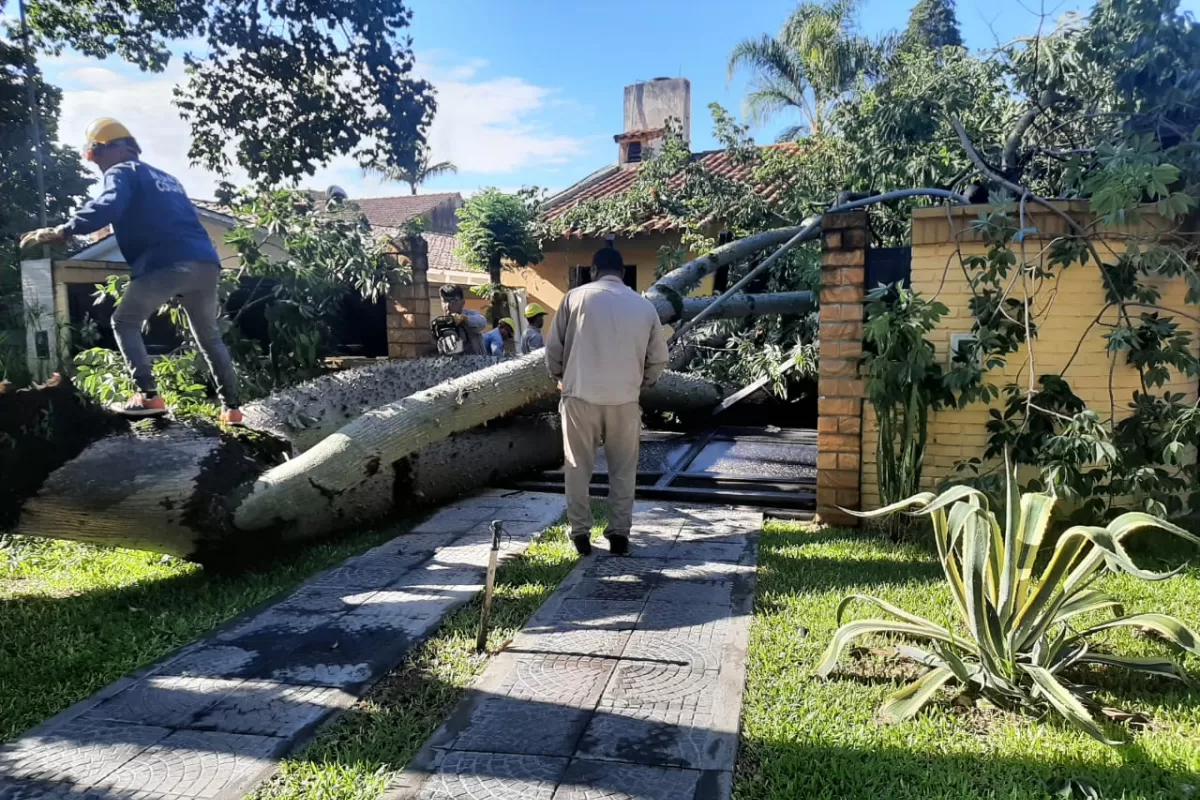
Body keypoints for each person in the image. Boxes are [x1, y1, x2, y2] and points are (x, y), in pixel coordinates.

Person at [19, 118, 241, 423]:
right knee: (209, 337)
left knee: (124, 321)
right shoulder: (168, 179)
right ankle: (232, 410)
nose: (96, 166)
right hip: (206, 262)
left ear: (108, 149)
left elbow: (109, 205)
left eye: (94, 157)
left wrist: (64, 230)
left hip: (165, 261)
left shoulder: (122, 171)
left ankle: (148, 396)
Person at [545, 247, 669, 556]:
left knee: (577, 467)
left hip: (579, 396)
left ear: (593, 270)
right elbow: (659, 359)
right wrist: (642, 384)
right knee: (623, 470)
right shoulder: (644, 307)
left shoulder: (574, 298)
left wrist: (561, 378)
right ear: (623, 273)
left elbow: (553, 350)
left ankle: (580, 533)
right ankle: (619, 534)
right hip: (625, 400)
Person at [436, 285, 488, 355]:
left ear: (462, 302)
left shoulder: (470, 314)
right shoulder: (441, 323)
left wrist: (464, 319)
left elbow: (482, 322)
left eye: (453, 301)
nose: (447, 305)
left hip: (477, 359)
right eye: (444, 301)